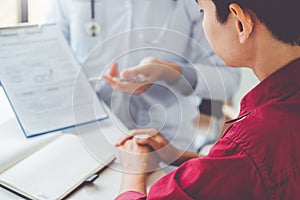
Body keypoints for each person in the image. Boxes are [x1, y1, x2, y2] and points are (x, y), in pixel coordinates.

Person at [115, 0, 300, 199]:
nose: (203, 23)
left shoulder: (249, 145)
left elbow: (248, 162)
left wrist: (132, 171)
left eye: (203, 13)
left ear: (240, 23)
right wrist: (185, 158)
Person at [47, 0, 240, 152]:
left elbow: (228, 78)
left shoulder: (196, 4)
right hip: (86, 133)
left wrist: (171, 73)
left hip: (167, 139)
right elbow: (50, 56)